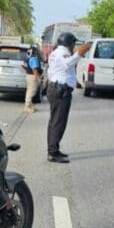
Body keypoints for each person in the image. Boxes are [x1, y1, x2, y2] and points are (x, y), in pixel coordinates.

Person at [46, 32, 92, 163]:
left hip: (56, 88)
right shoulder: (63, 52)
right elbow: (68, 64)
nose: (74, 47)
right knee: (58, 123)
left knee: (54, 122)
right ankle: (53, 152)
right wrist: (79, 53)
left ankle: (53, 149)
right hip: (61, 90)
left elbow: (55, 71)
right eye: (73, 44)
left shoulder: (55, 52)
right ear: (69, 43)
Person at [22, 46, 43, 113]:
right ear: (35, 51)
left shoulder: (27, 58)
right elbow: (34, 69)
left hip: (29, 75)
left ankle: (30, 105)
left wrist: (28, 70)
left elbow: (23, 66)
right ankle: (27, 106)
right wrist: (38, 78)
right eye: (37, 50)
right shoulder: (34, 58)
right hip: (33, 76)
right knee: (31, 92)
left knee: (29, 90)